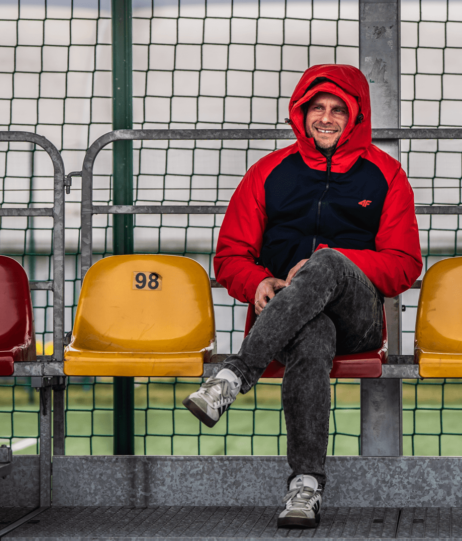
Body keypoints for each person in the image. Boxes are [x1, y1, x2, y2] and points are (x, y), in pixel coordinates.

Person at [182, 64, 422, 528]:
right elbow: (230, 256)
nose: (326, 118)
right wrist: (259, 282)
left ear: (355, 117)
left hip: (358, 319)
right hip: (286, 320)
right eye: (317, 108)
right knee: (313, 334)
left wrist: (328, 263)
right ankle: (305, 487)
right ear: (301, 113)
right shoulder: (268, 172)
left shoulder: (385, 175)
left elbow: (404, 264)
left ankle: (233, 376)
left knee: (328, 260)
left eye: (338, 110)